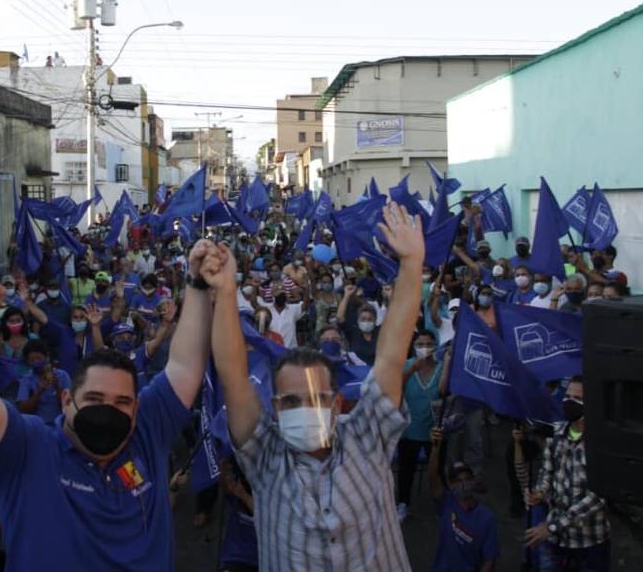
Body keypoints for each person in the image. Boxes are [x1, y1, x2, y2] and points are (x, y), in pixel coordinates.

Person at [0, 241, 217, 570]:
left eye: (122, 402)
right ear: (66, 399)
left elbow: (186, 366)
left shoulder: (146, 434)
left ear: (137, 409)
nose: (108, 411)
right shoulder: (29, 450)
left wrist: (198, 280)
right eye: (93, 399)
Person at [210, 202, 423, 570]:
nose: (304, 408)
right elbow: (232, 373)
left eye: (315, 399)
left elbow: (390, 355)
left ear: (337, 403)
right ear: (274, 408)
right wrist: (227, 292)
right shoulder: (264, 455)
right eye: (291, 401)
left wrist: (412, 264)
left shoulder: (369, 437)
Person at [525, 376, 611, 570]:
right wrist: (540, 492)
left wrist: (553, 526)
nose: (569, 402)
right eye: (567, 396)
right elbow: (547, 472)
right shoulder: (556, 434)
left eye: (577, 398)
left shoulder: (601, 445)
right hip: (556, 540)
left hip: (589, 541)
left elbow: (598, 497)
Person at [429, 428, 500, 572]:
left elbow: (489, 561)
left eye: (467, 479)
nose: (463, 483)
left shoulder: (486, 518)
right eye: (458, 480)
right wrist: (435, 446)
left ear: (473, 481)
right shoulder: (446, 503)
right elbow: (433, 476)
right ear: (451, 485)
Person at [397, 329, 446, 522]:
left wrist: (448, 362)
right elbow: (394, 386)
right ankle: (403, 503)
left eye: (428, 344)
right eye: (419, 345)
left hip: (434, 430)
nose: (424, 348)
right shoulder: (406, 366)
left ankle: (441, 504)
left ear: (434, 347)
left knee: (438, 468)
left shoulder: (441, 367)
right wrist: (411, 369)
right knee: (406, 469)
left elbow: (443, 390)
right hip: (410, 428)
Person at [15, 341, 71, 425]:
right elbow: (24, 409)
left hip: (62, 424)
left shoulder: (62, 375)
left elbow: (70, 404)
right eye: (32, 360)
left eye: (38, 358)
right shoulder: (27, 379)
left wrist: (57, 387)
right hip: (40, 425)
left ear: (47, 357)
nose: (36, 362)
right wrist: (39, 392)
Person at [337, 285, 380, 365]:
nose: (366, 322)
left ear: (375, 320)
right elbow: (340, 318)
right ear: (358, 320)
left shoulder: (381, 332)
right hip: (358, 373)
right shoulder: (353, 332)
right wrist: (347, 295)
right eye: (363, 319)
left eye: (370, 319)